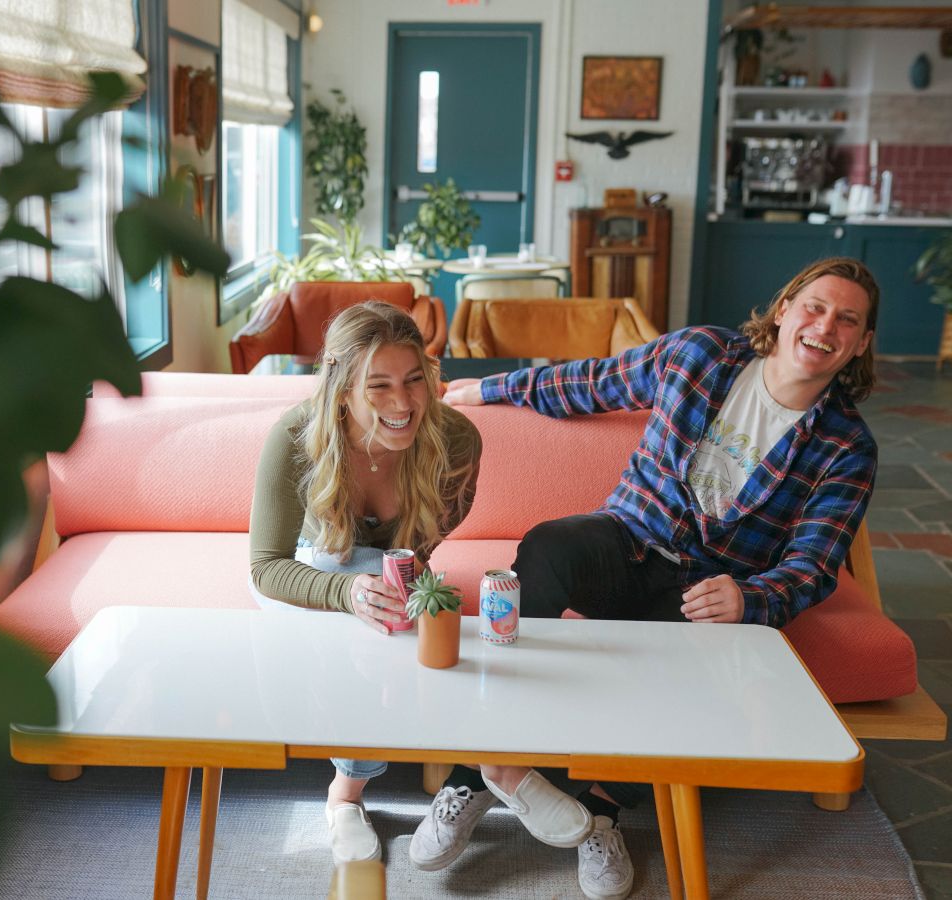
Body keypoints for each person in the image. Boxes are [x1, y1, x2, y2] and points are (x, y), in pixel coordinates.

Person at [417, 257, 879, 900]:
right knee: (550, 545)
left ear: (860, 343)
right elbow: (591, 381)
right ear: (783, 311)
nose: (825, 325)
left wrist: (752, 597)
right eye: (815, 306)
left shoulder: (846, 446)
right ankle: (477, 771)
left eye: (847, 319)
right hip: (626, 541)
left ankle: (600, 815)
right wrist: (491, 389)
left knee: (684, 667)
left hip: (706, 589)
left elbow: (816, 565)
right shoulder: (699, 355)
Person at [249, 300, 498, 865]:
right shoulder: (295, 435)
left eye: (414, 381)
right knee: (356, 572)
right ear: (341, 390)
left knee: (410, 607)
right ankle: (346, 795)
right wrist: (349, 591)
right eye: (378, 386)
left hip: (389, 570)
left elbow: (428, 540)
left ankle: (499, 765)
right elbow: (265, 567)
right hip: (309, 574)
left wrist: (397, 578)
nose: (403, 403)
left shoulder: (457, 441)